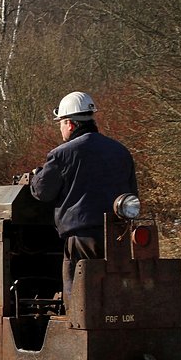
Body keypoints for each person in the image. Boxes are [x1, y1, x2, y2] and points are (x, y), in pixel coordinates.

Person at [29, 91, 138, 306]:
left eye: (61, 123)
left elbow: (42, 192)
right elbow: (132, 194)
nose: (60, 128)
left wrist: (35, 176)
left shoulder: (62, 154)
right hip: (118, 235)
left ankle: (78, 323)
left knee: (79, 295)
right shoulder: (120, 151)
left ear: (70, 124)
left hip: (81, 236)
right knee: (113, 291)